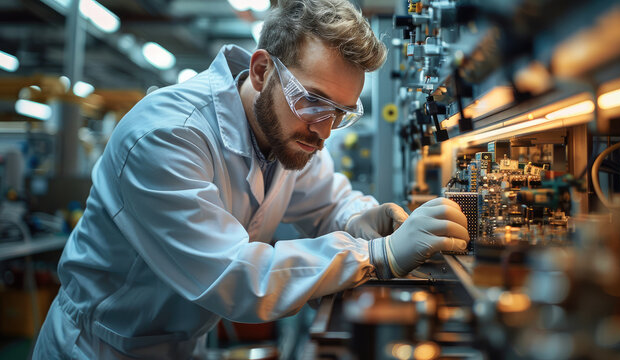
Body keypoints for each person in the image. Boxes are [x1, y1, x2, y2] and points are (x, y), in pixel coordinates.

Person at [33, 0, 469, 358]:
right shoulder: (167, 135)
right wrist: (377, 254)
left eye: (341, 113)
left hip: (181, 344)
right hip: (97, 347)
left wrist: (365, 218)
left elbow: (330, 202)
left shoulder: (292, 133)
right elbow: (233, 275)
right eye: (315, 102)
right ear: (262, 71)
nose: (324, 129)